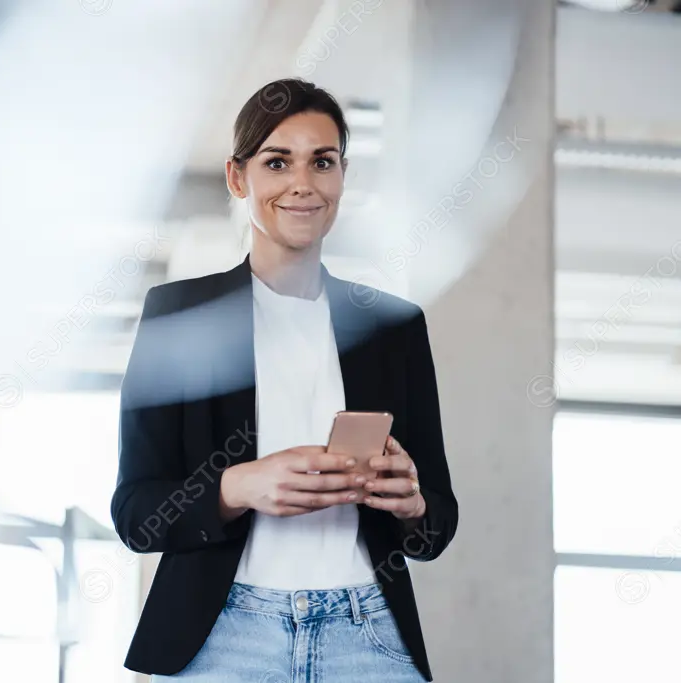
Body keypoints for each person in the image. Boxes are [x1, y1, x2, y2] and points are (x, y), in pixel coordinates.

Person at [110, 78, 458, 682]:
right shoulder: (180, 318)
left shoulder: (394, 328)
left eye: (322, 162)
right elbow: (136, 513)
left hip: (366, 632)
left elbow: (438, 524)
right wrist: (237, 486)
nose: (303, 183)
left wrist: (412, 504)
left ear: (342, 176)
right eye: (278, 161)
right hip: (224, 637)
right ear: (237, 178)